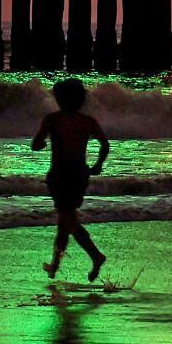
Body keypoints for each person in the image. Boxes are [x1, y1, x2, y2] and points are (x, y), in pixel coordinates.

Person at [32, 78, 109, 280]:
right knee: (64, 221)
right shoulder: (87, 121)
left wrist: (42, 145)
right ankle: (55, 266)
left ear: (58, 98)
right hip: (80, 174)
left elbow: (35, 144)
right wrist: (98, 165)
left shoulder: (52, 119)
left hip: (60, 174)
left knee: (68, 219)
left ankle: (96, 255)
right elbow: (105, 144)